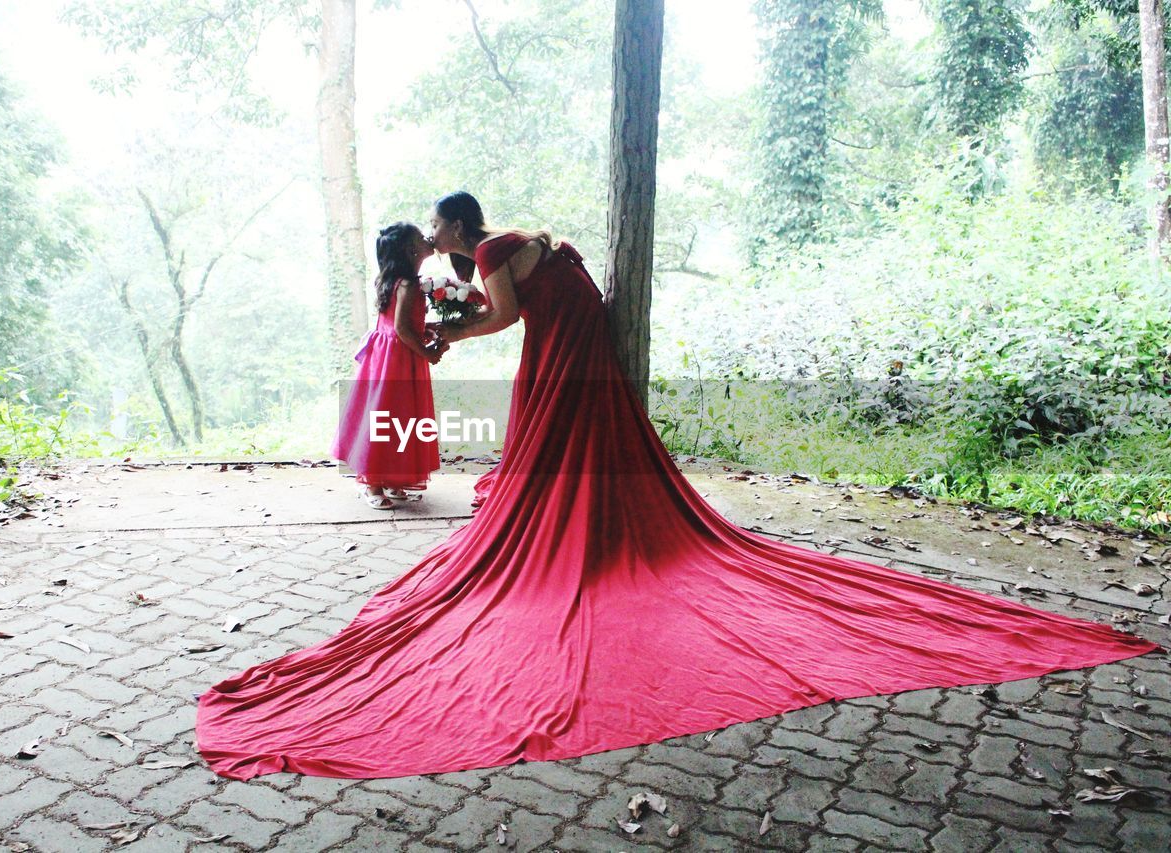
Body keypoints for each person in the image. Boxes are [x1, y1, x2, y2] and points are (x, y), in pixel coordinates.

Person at [196, 192, 1156, 781]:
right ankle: (567, 491)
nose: (439, 238)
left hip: (557, 343)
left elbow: (496, 320)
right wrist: (469, 320)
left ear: (457, 224)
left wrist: (450, 334)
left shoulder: (484, 253)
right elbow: (563, 282)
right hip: (585, 337)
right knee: (560, 428)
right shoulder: (522, 233)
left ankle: (562, 506)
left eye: (441, 224)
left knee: (540, 422)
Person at [329, 222, 444, 509]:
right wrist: (427, 353)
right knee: (389, 415)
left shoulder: (393, 280)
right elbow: (403, 328)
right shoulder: (408, 284)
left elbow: (398, 322)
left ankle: (391, 478)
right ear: (410, 250)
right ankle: (372, 483)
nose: (427, 237)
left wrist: (425, 327)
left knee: (396, 417)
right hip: (398, 359)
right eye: (420, 236)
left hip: (386, 356)